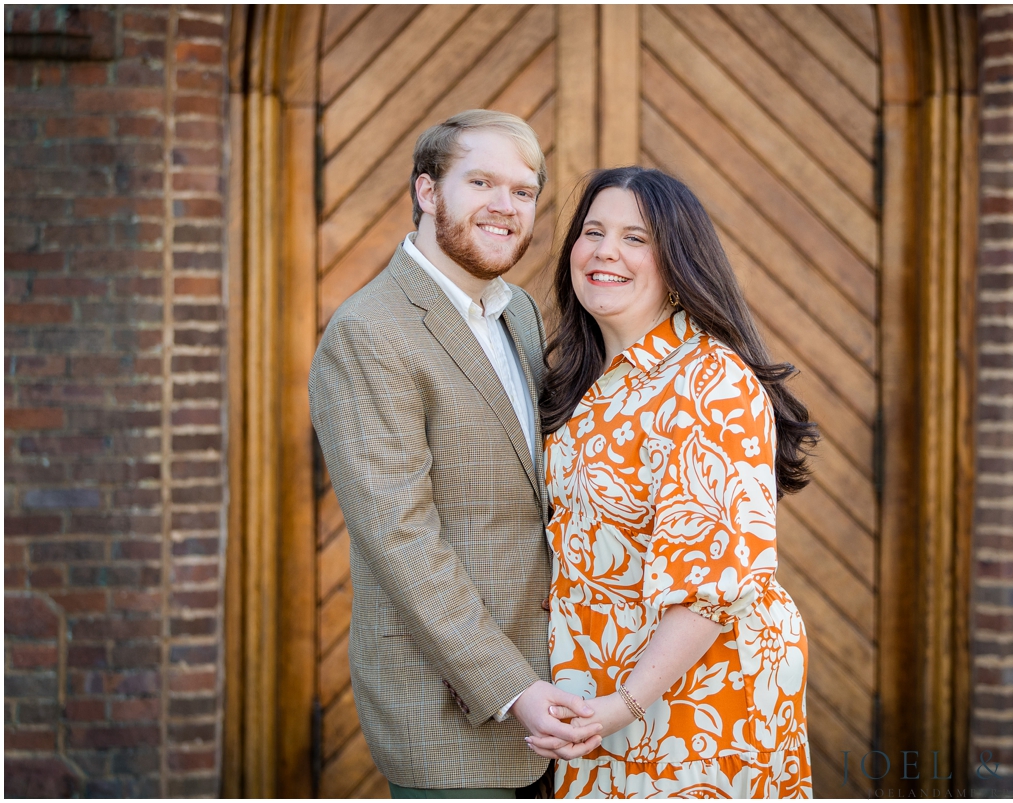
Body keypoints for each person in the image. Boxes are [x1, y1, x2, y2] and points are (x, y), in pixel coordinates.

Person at [308, 110, 602, 799]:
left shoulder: (519, 312)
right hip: (450, 711)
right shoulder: (369, 332)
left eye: (523, 191)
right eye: (481, 182)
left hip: (560, 698)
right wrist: (513, 688)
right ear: (428, 191)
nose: (506, 206)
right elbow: (402, 541)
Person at [532, 167, 819, 798]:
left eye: (636, 238)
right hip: (599, 691)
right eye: (593, 231)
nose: (606, 250)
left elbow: (711, 587)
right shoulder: (579, 382)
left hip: (696, 692)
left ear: (678, 261)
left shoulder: (709, 382)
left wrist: (623, 706)